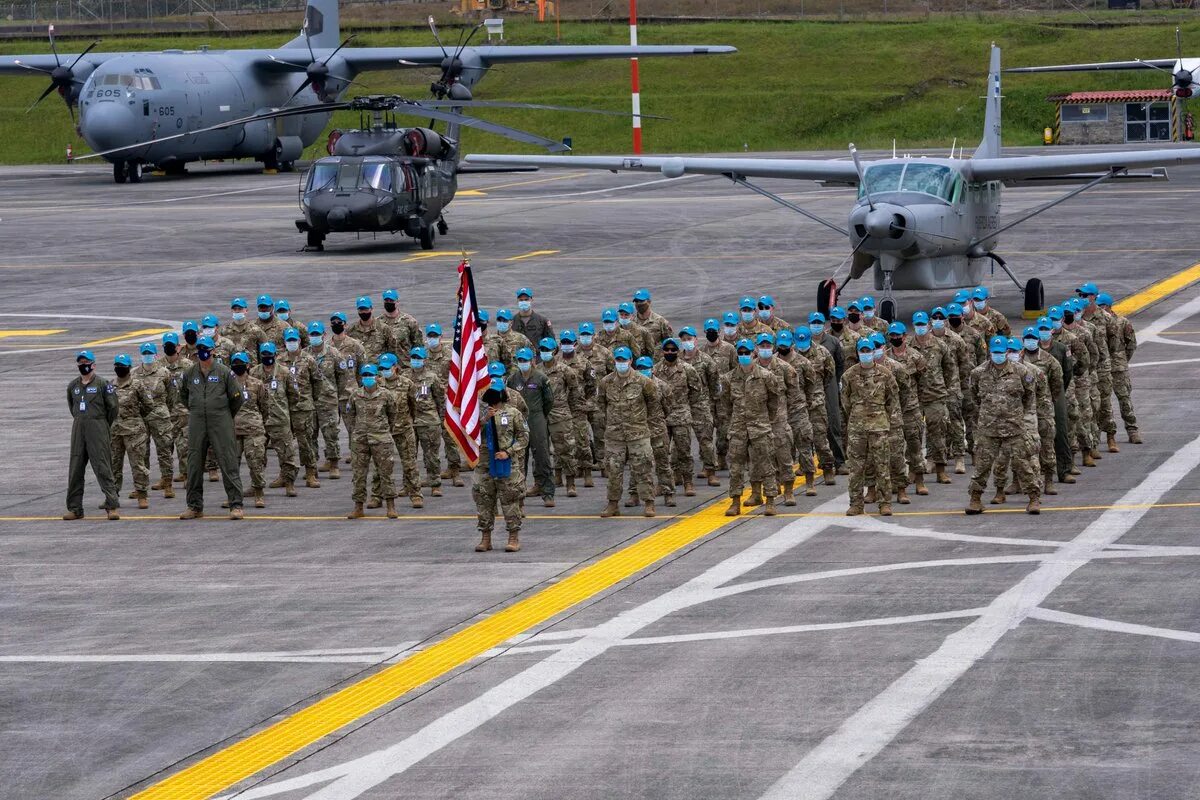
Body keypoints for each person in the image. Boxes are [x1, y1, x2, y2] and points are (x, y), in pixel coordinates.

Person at [967, 336, 1040, 515]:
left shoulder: (1021, 372)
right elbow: (975, 396)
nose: (997, 355)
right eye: (994, 352)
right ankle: (975, 499)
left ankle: (1034, 498)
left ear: (1007, 352)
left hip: (1014, 427)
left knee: (1022, 463)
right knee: (982, 465)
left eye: (1001, 352)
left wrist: (1015, 414)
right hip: (988, 427)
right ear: (989, 352)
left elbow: (1029, 396)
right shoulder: (978, 373)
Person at [178, 335, 245, 520]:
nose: (202, 352)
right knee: (194, 463)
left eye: (206, 349)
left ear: (213, 351)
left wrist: (223, 414)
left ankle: (236, 504)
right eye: (199, 349)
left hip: (220, 420)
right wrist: (197, 409)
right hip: (197, 421)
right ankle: (194, 506)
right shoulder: (190, 373)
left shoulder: (224, 372)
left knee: (228, 461)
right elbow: (183, 395)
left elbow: (237, 398)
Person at [722, 338, 782, 516]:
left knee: (767, 464)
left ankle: (770, 500)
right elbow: (725, 404)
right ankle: (735, 502)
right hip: (738, 428)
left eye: (746, 353)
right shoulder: (729, 378)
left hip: (760, 426)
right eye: (740, 353)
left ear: (753, 353)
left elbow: (774, 401)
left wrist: (765, 420)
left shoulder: (766, 376)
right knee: (735, 466)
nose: (743, 356)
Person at [597, 346, 658, 518]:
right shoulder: (606, 382)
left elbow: (653, 405)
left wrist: (645, 425)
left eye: (624, 360)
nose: (621, 363)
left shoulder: (643, 381)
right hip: (615, 435)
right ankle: (613, 504)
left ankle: (649, 503)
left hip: (638, 433)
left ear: (631, 361)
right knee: (613, 471)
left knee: (643, 469)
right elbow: (601, 404)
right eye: (618, 360)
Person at [841, 338, 900, 517]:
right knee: (856, 467)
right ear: (858, 353)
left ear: (874, 352)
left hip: (879, 426)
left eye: (869, 350)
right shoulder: (849, 375)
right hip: (857, 428)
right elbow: (845, 402)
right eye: (863, 351)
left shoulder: (885, 374)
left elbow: (892, 399)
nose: (866, 353)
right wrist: (857, 416)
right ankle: (856, 503)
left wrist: (882, 417)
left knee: (882, 465)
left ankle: (885, 503)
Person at [474, 377, 530, 552]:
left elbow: (524, 436)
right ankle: (485, 537)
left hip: (506, 463)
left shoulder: (513, 413)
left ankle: (513, 537)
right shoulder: (479, 414)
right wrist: (485, 418)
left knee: (510, 500)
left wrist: (509, 451)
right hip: (484, 463)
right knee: (484, 500)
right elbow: (470, 432)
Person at [65, 350, 120, 520]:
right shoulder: (73, 386)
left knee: (103, 467)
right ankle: (75, 508)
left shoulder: (104, 384)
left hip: (98, 427)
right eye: (80, 363)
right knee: (75, 468)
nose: (83, 366)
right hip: (79, 428)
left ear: (94, 365)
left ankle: (112, 506)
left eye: (86, 362)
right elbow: (72, 407)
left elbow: (113, 408)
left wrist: (102, 425)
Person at [758, 332, 810, 506]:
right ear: (757, 348)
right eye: (761, 346)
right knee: (765, 458)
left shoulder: (785, 368)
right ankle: (772, 489)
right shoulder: (753, 368)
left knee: (785, 456)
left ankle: (789, 491)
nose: (765, 349)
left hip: (781, 418)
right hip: (761, 420)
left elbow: (795, 394)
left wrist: (789, 416)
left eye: (767, 345)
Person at [279, 326, 331, 489]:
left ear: (300, 341)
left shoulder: (308, 359)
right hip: (284, 408)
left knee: (305, 442)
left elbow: (317, 382)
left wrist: (310, 400)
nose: (292, 343)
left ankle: (310, 473)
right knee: (284, 443)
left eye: (294, 340)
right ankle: (285, 474)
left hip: (303, 407)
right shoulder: (279, 360)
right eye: (289, 340)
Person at [346, 364, 399, 519]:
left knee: (386, 473)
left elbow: (392, 415)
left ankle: (390, 506)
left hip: (381, 438)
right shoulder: (355, 395)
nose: (367, 378)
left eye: (370, 375)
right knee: (358, 474)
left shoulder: (386, 395)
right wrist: (357, 431)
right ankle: (358, 506)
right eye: (365, 375)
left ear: (377, 377)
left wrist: (383, 431)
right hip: (360, 439)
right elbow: (350, 415)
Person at [653, 337, 704, 497]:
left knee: (684, 451)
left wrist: (685, 406)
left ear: (677, 351)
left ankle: (688, 482)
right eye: (666, 350)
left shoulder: (687, 369)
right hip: (662, 418)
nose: (669, 352)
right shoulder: (655, 370)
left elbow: (697, 391)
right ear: (662, 351)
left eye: (673, 350)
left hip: (681, 416)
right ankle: (663, 484)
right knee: (661, 453)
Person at [909, 310, 953, 485]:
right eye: (917, 325)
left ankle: (940, 469)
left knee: (938, 434)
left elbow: (949, 368)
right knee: (913, 436)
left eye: (923, 324)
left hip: (935, 396)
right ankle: (914, 469)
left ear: (928, 324)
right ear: (914, 326)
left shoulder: (940, 345)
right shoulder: (908, 346)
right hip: (914, 399)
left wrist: (943, 387)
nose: (921, 327)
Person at [250, 342, 300, 497]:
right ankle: (256, 485)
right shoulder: (254, 372)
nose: (267, 357)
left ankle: (289, 482)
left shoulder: (284, 372)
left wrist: (283, 411)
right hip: (259, 421)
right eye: (264, 354)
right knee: (256, 455)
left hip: (279, 419)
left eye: (269, 354)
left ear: (275, 355)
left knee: (286, 453)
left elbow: (294, 395)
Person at [885, 322, 929, 497]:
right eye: (892, 336)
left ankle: (919, 481)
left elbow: (923, 383)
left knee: (915, 446)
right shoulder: (885, 359)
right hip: (892, 411)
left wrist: (918, 404)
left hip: (911, 408)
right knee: (893, 449)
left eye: (898, 335)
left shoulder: (916, 357)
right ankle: (897, 482)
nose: (895, 338)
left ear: (905, 336)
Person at [508, 346, 554, 506]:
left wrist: (540, 416)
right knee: (519, 457)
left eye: (525, 360)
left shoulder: (541, 378)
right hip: (519, 420)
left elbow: (549, 401)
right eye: (520, 360)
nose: (523, 363)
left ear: (533, 361)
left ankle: (547, 492)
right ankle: (519, 495)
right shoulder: (513, 379)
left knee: (542, 456)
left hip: (537, 418)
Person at [378, 352, 423, 508]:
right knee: (380, 466)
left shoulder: (407, 384)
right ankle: (377, 496)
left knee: (410, 463)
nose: (384, 371)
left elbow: (414, 405)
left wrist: (408, 421)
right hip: (383, 431)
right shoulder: (377, 384)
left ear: (395, 367)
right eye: (381, 368)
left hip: (403, 429)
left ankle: (416, 494)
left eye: (387, 368)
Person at [793, 327, 836, 488]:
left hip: (816, 403)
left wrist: (818, 392)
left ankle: (827, 468)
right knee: (803, 439)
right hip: (797, 404)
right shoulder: (790, 355)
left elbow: (829, 373)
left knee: (820, 438)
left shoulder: (822, 353)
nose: (802, 346)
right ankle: (806, 469)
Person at [678, 325, 721, 487]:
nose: (687, 342)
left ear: (696, 340)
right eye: (684, 340)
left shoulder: (706, 360)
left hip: (701, 406)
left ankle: (711, 472)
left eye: (689, 339)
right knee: (680, 443)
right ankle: (680, 474)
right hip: (681, 406)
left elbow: (715, 383)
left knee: (705, 440)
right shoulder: (677, 360)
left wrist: (710, 402)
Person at [133, 341, 177, 499]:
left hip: (160, 416)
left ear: (156, 355)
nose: (147, 356)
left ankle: (168, 484)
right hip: (142, 417)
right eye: (144, 354)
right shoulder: (134, 374)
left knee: (164, 451)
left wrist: (165, 410)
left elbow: (172, 396)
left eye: (149, 353)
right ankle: (141, 487)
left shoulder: (164, 372)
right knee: (141, 452)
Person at [1096, 292, 1141, 444]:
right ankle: (1101, 434)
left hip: (1118, 368)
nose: (1098, 308)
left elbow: (1131, 344)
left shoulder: (1122, 322)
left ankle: (1132, 430)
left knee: (1124, 399)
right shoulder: (1096, 324)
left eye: (1100, 305)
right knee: (1102, 402)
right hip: (1102, 368)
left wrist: (1122, 360)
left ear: (1108, 306)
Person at [109, 353, 151, 510]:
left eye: (123, 366)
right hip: (115, 431)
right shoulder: (110, 385)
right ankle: (112, 496)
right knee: (114, 464)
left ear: (128, 368)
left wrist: (136, 417)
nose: (120, 369)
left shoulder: (137, 384)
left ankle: (142, 494)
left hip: (134, 431)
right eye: (118, 366)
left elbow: (148, 404)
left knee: (138, 464)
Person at [307, 320, 348, 479]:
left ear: (324, 335)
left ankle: (334, 464)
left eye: (317, 334)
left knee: (331, 433)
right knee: (310, 434)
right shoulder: (304, 354)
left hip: (328, 400)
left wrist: (335, 394)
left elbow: (343, 377)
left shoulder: (334, 353)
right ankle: (312, 466)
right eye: (312, 334)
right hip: (309, 401)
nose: (315, 337)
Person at [229, 351, 269, 508]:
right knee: (231, 466)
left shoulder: (257, 384)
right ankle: (233, 496)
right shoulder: (227, 384)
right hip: (233, 430)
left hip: (254, 429)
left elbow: (265, 407)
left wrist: (260, 424)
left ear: (248, 365)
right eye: (235, 363)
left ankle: (258, 493)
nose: (238, 366)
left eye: (241, 363)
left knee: (255, 463)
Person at [424, 323, 463, 485]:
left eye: (435, 336)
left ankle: (455, 471)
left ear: (441, 337)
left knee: (450, 436)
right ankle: (432, 474)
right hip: (428, 404)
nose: (433, 339)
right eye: (430, 336)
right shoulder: (423, 356)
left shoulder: (450, 354)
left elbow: (459, 376)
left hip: (447, 402)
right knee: (430, 440)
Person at [409, 345, 447, 497]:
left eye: (419, 358)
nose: (416, 361)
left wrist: (440, 418)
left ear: (424, 360)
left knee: (431, 455)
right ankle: (409, 485)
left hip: (429, 421)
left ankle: (435, 483)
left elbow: (439, 399)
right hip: (410, 422)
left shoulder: (432, 377)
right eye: (413, 358)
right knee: (410, 456)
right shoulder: (405, 377)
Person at [576, 322, 614, 475]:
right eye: (583, 335)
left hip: (598, 401)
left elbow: (613, 375)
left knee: (600, 434)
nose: (585, 338)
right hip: (579, 402)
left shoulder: (604, 353)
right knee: (580, 435)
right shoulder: (574, 354)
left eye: (588, 335)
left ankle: (603, 464)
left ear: (593, 336)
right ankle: (582, 465)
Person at [638, 355, 675, 510]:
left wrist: (656, 420)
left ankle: (668, 493)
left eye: (645, 368)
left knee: (663, 463)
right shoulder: (634, 384)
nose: (643, 371)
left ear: (652, 369)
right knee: (638, 464)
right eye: (640, 369)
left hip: (658, 429)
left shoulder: (662, 386)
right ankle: (635, 494)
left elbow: (668, 407)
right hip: (639, 431)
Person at [813, 309, 847, 473]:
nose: (816, 326)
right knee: (808, 426)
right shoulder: (803, 341)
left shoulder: (832, 341)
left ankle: (840, 461)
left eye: (819, 323)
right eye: (813, 323)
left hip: (829, 385)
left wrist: (837, 381)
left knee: (833, 422)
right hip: (810, 388)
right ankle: (814, 462)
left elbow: (840, 363)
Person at [329, 311, 366, 459]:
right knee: (330, 428)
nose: (337, 325)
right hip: (330, 394)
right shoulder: (327, 346)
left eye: (339, 322)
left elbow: (362, 369)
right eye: (334, 323)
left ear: (345, 324)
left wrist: (360, 388)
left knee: (353, 426)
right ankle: (332, 457)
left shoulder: (355, 346)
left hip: (348, 392)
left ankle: (355, 452)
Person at [159, 332, 193, 484]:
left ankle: (186, 475)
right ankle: (165, 478)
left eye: (172, 344)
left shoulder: (188, 366)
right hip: (165, 412)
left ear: (178, 347)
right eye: (166, 344)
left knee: (184, 445)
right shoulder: (158, 366)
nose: (169, 347)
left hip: (184, 411)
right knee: (165, 446)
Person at [348, 295, 397, 363]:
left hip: (378, 371)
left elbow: (392, 351)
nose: (364, 312)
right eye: (361, 310)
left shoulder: (383, 328)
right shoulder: (350, 330)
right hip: (359, 371)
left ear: (371, 308)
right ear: (358, 310)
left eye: (366, 309)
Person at [378, 288, 421, 356]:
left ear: (397, 302)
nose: (389, 302)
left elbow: (418, 345)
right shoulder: (377, 322)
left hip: (405, 365)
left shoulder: (409, 321)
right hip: (384, 364)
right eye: (386, 300)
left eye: (391, 300)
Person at [494, 308, 529, 373]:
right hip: (495, 377)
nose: (502, 322)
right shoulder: (491, 339)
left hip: (515, 377)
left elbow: (532, 356)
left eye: (505, 320)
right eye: (499, 320)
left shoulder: (521, 339)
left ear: (511, 322)